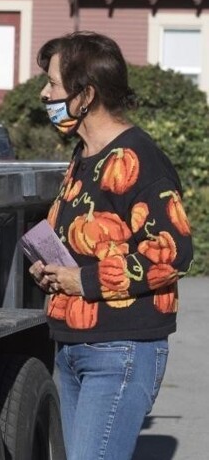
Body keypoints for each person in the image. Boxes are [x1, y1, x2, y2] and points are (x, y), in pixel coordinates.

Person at [28, 31, 193, 460]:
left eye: (53, 85)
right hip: (73, 346)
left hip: (120, 351)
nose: (45, 94)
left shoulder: (138, 160)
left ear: (86, 96)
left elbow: (173, 251)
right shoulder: (85, 158)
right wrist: (50, 269)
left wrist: (82, 281)